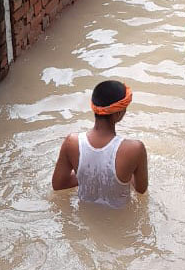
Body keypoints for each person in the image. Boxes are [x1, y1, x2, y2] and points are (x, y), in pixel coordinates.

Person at [52, 80, 148, 208]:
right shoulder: (135, 149)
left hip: (84, 215)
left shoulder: (71, 143)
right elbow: (141, 189)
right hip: (119, 219)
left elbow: (58, 185)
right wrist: (125, 175)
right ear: (118, 114)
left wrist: (88, 174)